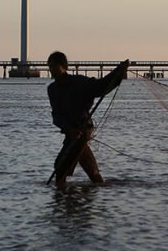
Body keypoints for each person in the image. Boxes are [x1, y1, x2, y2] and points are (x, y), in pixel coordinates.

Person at [47, 51, 129, 190]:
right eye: (50, 67)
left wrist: (118, 71)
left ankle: (63, 200)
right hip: (71, 133)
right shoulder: (52, 89)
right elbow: (56, 115)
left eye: (55, 66)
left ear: (64, 67)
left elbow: (101, 86)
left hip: (83, 130)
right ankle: (94, 195)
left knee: (60, 167)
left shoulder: (79, 82)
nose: (52, 70)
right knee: (91, 172)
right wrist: (68, 128)